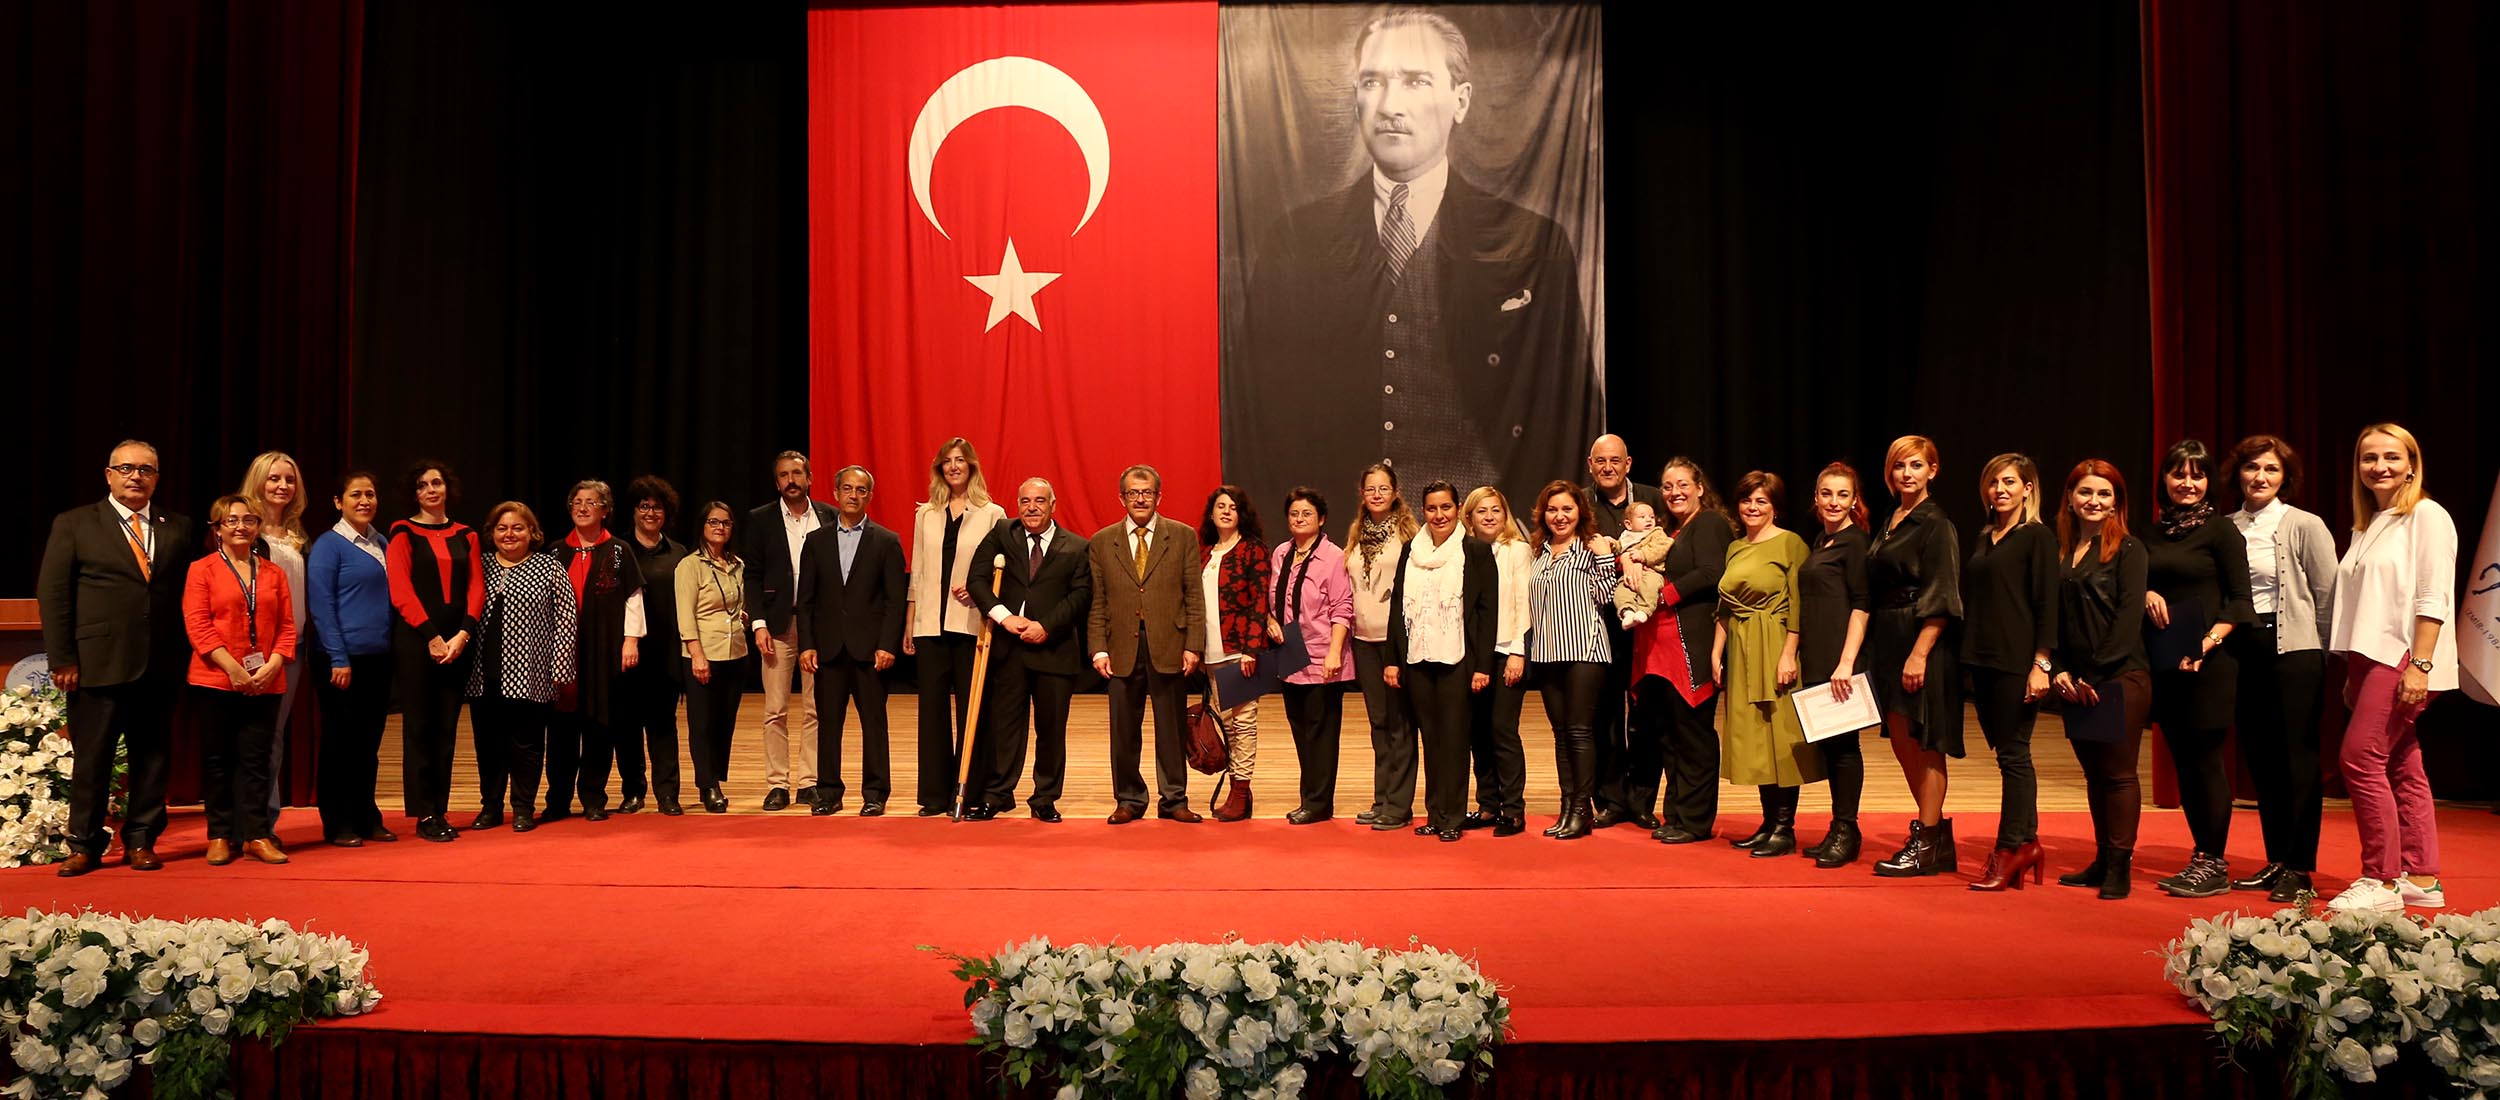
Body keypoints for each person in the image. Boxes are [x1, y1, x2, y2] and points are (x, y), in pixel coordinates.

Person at [1227, 10, 1598, 507]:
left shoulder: (1534, 241)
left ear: (1460, 101)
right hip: (1344, 530)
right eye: (1371, 82)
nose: (1389, 104)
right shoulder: (1292, 240)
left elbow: (1567, 410)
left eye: (1416, 80)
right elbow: (1255, 415)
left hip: (1480, 526)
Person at [41, 441, 193, 876]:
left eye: (146, 470)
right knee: (93, 760)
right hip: (95, 663)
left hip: (159, 662)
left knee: (153, 757)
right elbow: (54, 596)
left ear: (157, 479)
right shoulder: (75, 524)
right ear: (108, 474)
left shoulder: (177, 527)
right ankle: (84, 845)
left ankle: (142, 841)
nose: (136, 477)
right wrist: (62, 658)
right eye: (126, 468)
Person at [2324, 423, 2459, 914]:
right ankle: (2421, 875)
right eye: (2368, 458)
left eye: (2390, 457)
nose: (2379, 466)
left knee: (2359, 758)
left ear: (2411, 464)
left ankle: (2380, 880)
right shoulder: (2371, 523)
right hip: (2368, 658)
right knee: (2402, 762)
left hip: (2403, 656)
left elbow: (2432, 595)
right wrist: (2351, 673)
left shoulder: (2427, 515)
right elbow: (2365, 605)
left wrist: (2420, 665)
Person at [2225, 434, 2337, 903]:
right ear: (2239, 475)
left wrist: (2323, 653)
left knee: (2297, 760)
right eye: (2252, 468)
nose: (2260, 477)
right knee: (2262, 759)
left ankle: (2300, 866)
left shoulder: (2305, 524)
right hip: (2243, 649)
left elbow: (2328, 592)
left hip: (2294, 648)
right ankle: (2276, 860)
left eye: (2270, 469)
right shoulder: (2226, 526)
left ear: (2285, 478)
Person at [2141, 440, 2253, 899]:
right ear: (2164, 479)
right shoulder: (2150, 533)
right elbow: (2134, 586)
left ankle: (2214, 861)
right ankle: (2200, 855)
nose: (2187, 483)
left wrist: (2205, 645)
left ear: (2209, 482)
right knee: (2184, 763)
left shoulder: (2222, 532)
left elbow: (2240, 601)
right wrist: (2146, 593)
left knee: (2205, 761)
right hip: (2166, 662)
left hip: (2209, 662)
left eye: (2197, 475)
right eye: (2178, 474)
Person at [2050, 461, 2153, 899]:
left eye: (2104, 494)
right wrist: (2060, 670)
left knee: (2118, 774)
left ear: (2117, 503)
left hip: (2119, 676)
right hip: (2076, 680)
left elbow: (2128, 619)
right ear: (2070, 498)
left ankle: (2120, 864)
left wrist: (2091, 675)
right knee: (2093, 774)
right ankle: (2101, 856)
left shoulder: (2129, 550)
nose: (2094, 501)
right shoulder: (2061, 550)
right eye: (2086, 492)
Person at [966, 479, 1093, 822]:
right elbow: (976, 579)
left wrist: (1046, 627)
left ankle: (1045, 798)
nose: (1031, 507)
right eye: (1025, 500)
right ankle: (998, 795)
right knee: (1004, 728)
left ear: (1054, 504)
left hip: (1055, 650)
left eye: (1039, 500)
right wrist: (1004, 618)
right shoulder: (1002, 532)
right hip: (1009, 649)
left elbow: (1081, 595)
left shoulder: (1078, 546)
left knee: (1051, 731)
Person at [1866, 435, 1964, 878]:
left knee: (1926, 742)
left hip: (1920, 637)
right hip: (1888, 636)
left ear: (1933, 470)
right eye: (1900, 466)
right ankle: (1936, 839)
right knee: (1904, 739)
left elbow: (1943, 593)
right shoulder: (1893, 517)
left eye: (1916, 466)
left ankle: (1926, 840)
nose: (1907, 473)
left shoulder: (1935, 523)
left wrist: (1919, 653)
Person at [1088, 464, 1208, 824]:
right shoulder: (1101, 541)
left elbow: (1194, 596)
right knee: (1123, 730)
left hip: (1170, 645)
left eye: (1147, 493)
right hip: (1120, 647)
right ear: (1121, 498)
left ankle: (1174, 799)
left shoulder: (1182, 535)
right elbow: (1098, 601)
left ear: (1159, 496)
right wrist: (1098, 647)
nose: (1140, 499)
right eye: (1133, 493)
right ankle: (1129, 798)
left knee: (1171, 729)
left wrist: (1194, 645)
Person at [1959, 454, 2058, 892]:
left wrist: (2041, 663)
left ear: (2028, 488)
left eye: (2009, 482)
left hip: (2017, 663)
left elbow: (2046, 605)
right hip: (1980, 661)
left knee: (2014, 754)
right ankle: (2030, 842)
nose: (2000, 489)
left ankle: (2009, 848)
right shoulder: (1984, 537)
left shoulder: (2036, 537)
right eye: (1993, 482)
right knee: (2007, 753)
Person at [182, 495, 297, 865]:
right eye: (231, 521)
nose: (241, 527)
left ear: (258, 527)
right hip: (215, 678)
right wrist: (233, 668)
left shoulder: (273, 573)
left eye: (249, 520)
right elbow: (197, 624)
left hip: (266, 680)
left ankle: (256, 835)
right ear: (216, 529)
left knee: (256, 761)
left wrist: (274, 664)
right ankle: (219, 834)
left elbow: (287, 626)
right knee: (218, 760)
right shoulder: (202, 570)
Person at [1628, 459, 1736, 844]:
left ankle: (1695, 820)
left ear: (1700, 487)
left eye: (1682, 484)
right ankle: (1677, 814)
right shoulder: (1672, 531)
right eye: (1668, 486)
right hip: (1663, 650)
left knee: (1693, 735)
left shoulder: (1709, 524)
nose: (1674, 492)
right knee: (1670, 735)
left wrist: (1665, 594)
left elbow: (1713, 572)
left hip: (1692, 646)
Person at [1710, 473, 1818, 858]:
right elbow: (1725, 606)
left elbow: (1799, 604)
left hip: (1773, 644)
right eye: (1747, 501)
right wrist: (1716, 652)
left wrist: (1788, 653)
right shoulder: (1736, 547)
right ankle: (1768, 822)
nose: (1752, 508)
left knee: (1780, 737)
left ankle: (1785, 827)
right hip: (1741, 647)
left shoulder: (1791, 544)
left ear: (1775, 507)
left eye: (1761, 502)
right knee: (1755, 739)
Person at [1384, 480, 1498, 842]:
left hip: (1458, 660)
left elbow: (1486, 612)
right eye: (1432, 509)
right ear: (1424, 511)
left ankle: (1452, 818)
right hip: (1418, 657)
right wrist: (1393, 660)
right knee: (1430, 740)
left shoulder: (1475, 551)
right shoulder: (1410, 551)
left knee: (1454, 739)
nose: (1438, 515)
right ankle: (1435, 812)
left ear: (1457, 508)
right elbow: (1397, 608)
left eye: (1445, 507)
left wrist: (1482, 666)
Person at [905, 439, 1008, 817]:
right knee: (931, 710)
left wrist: (978, 590)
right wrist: (909, 622)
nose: (953, 467)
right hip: (929, 622)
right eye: (947, 462)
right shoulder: (925, 515)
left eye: (960, 461)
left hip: (971, 622)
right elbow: (917, 571)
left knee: (973, 709)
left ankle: (973, 789)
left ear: (972, 467)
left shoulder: (992, 513)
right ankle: (934, 794)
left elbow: (999, 569)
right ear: (939, 469)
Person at [797, 465, 907, 816]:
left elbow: (894, 600)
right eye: (848, 489)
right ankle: (828, 791)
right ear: (836, 493)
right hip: (828, 648)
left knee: (874, 723)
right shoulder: (816, 541)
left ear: (869, 496)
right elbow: (807, 599)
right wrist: (807, 644)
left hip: (870, 650)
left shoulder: (887, 541)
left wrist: (888, 644)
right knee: (828, 723)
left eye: (861, 490)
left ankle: (875, 792)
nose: (854, 495)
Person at [386, 460, 483, 844]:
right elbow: (400, 590)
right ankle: (424, 811)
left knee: (446, 729)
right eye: (423, 485)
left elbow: (476, 587)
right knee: (420, 728)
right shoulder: (402, 533)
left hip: (457, 644)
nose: (431, 490)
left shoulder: (467, 534)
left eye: (437, 483)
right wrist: (431, 635)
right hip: (416, 643)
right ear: (415, 493)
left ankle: (440, 809)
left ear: (448, 488)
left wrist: (462, 634)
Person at [465, 502, 577, 832]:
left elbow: (566, 619)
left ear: (532, 533)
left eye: (518, 528)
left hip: (532, 674)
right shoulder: (480, 565)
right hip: (483, 675)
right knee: (488, 744)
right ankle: (491, 807)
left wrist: (560, 666)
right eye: (502, 528)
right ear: (492, 534)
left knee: (526, 744)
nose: (509, 534)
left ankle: (523, 807)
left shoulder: (549, 567)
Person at [544, 480, 648, 824]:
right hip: (562, 654)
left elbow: (634, 598)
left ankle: (593, 797)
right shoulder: (555, 551)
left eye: (591, 502)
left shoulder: (619, 550)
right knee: (561, 730)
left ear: (605, 509)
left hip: (604, 651)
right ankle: (557, 800)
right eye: (577, 501)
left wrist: (630, 640)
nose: (583, 507)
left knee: (599, 726)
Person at [1524, 480, 1619, 840]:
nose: (1559, 516)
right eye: (1552, 509)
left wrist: (1607, 558)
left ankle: (1583, 810)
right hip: (1547, 652)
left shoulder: (1591, 548)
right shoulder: (1541, 552)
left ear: (1579, 511)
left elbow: (1605, 596)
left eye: (1567, 509)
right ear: (1543, 514)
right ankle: (1568, 807)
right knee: (1561, 734)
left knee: (1580, 731)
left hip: (1584, 648)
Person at [306, 470, 396, 847]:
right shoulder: (330, 545)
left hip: (378, 659)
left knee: (367, 745)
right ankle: (338, 821)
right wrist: (338, 657)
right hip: (340, 660)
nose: (364, 501)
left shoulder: (383, 542)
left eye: (370, 494)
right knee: (340, 743)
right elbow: (321, 605)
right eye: (356, 494)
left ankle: (366, 816)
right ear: (338, 502)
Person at [744, 451, 837, 811]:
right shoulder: (760, 519)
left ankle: (809, 782)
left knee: (816, 708)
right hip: (777, 624)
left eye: (797, 473)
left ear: (810, 478)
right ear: (777, 481)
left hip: (819, 626)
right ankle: (777, 783)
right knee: (775, 708)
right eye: (783, 475)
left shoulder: (828, 516)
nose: (791, 480)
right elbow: (751, 574)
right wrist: (758, 623)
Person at [1796, 464, 1873, 866]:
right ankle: (1838, 826)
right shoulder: (1821, 541)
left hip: (1840, 660)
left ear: (1853, 500)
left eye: (1842, 495)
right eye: (1826, 493)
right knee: (1831, 747)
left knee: (1845, 748)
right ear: (1816, 498)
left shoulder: (1855, 542)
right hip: (1817, 657)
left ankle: (1847, 829)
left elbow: (1862, 604)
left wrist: (1846, 663)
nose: (1833, 502)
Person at [1585, 435, 1662, 829]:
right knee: (1606, 717)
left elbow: (1672, 548)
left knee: (1647, 714)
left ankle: (1643, 799)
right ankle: (1612, 799)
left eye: (1616, 460)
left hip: (1650, 625)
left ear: (1628, 463)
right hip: (1599, 625)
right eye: (1601, 461)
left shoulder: (1653, 499)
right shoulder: (1581, 504)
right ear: (1590, 464)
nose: (1608, 467)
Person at [1268, 487, 1356, 825]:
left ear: (1321, 519)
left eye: (1307, 514)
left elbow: (1342, 608)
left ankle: (1319, 803)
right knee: (1300, 728)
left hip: (1323, 655)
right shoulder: (1281, 553)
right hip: (1290, 653)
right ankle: (1309, 797)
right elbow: (1269, 598)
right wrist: (1269, 621)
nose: (1299, 519)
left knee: (1322, 732)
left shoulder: (1334, 556)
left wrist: (1335, 652)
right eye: (1294, 514)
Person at [1345, 463, 1419, 830]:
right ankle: (1382, 798)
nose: (1376, 494)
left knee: (1400, 723)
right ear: (1363, 494)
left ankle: (1399, 804)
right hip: (1363, 640)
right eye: (1370, 488)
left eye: (1383, 488)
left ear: (1394, 492)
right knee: (1379, 723)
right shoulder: (1357, 534)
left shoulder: (1408, 534)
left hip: (1396, 641)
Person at [238, 451, 310, 814]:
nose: (282, 486)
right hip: (252, 651)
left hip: (291, 649)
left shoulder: (297, 535)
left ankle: (265, 818)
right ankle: (243, 819)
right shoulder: (244, 531)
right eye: (274, 478)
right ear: (259, 481)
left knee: (274, 735)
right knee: (249, 736)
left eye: (289, 479)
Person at [1197, 484, 1275, 821]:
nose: (1226, 511)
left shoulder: (1252, 550)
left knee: (1243, 723)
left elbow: (1260, 601)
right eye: (1220, 506)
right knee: (1225, 726)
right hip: (1211, 653)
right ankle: (1239, 789)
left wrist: (1251, 649)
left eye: (1233, 507)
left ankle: (1240, 793)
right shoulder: (1206, 553)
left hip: (1240, 650)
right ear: (1211, 514)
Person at [1458, 485, 1529, 835]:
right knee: (1478, 733)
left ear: (1505, 514)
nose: (1489, 517)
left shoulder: (1517, 551)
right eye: (1481, 511)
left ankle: (1513, 809)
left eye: (1495, 510)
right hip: (1471, 656)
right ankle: (1488, 804)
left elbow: (1523, 604)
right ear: (1468, 518)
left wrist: (1518, 650)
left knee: (1502, 730)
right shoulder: (1462, 551)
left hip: (1505, 652)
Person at [617, 475, 689, 815]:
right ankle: (633, 791)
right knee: (628, 726)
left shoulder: (678, 553)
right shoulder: (617, 550)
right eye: (644, 506)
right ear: (633, 511)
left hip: (666, 653)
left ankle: (667, 793)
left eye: (657, 507)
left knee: (663, 725)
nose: (650, 512)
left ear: (666, 512)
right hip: (628, 652)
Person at [678, 502, 752, 815]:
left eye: (725, 522)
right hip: (703, 653)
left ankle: (717, 777)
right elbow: (685, 615)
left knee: (725, 722)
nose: (719, 527)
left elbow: (738, 604)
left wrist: (745, 617)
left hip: (735, 652)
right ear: (702, 526)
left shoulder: (738, 564)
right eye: (713, 522)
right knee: (703, 723)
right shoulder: (689, 566)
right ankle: (707, 785)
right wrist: (697, 655)